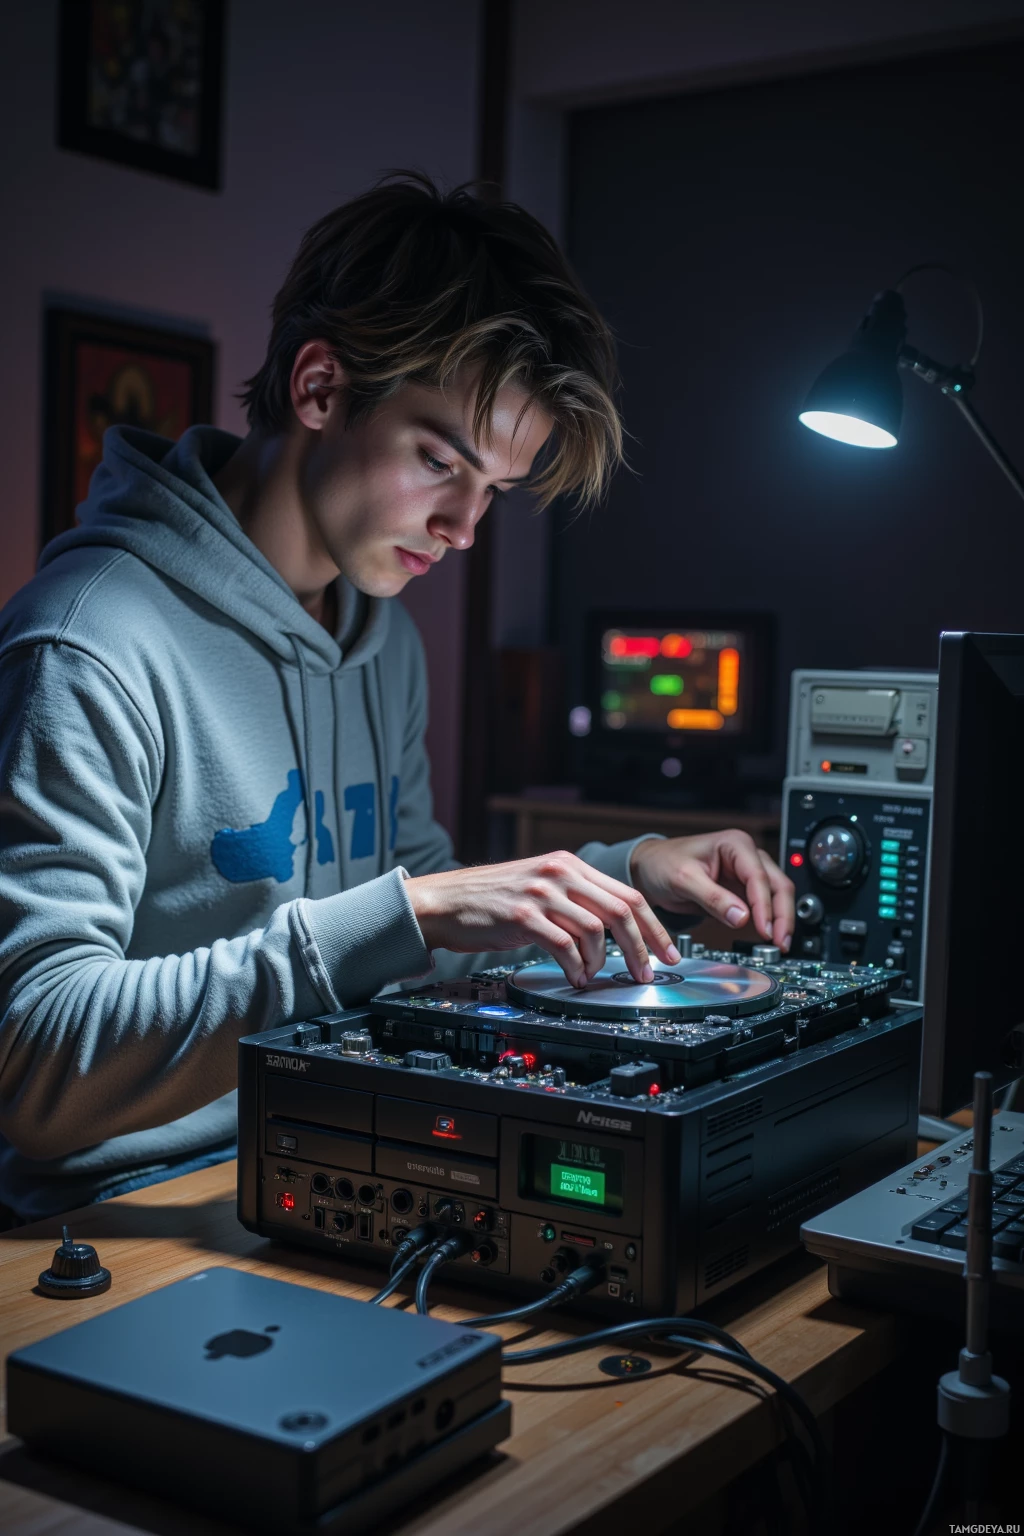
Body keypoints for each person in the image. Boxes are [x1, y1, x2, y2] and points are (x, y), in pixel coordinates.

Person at [0, 173, 792, 1223]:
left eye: (495, 493)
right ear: (320, 389)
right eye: (438, 463)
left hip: (322, 1168)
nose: (465, 529)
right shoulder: (88, 640)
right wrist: (403, 913)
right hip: (119, 1216)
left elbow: (419, 914)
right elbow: (34, 1063)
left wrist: (621, 871)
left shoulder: (382, 638)